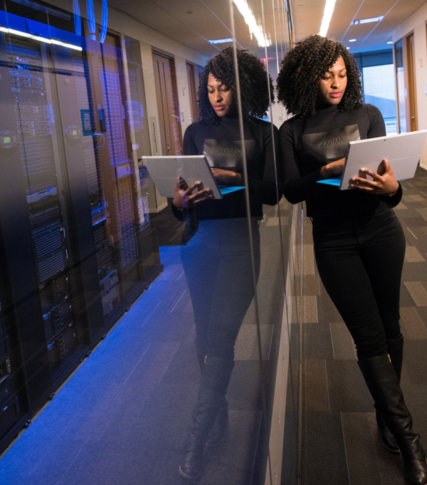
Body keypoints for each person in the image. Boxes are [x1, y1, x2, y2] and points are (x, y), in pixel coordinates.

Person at [276, 35, 427, 485]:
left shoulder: (368, 115)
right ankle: (409, 441)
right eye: (327, 75)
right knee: (368, 339)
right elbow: (290, 191)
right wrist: (324, 172)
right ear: (308, 77)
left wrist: (394, 189)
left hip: (382, 230)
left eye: (343, 74)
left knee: (391, 328)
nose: (337, 83)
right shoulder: (292, 130)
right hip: (333, 241)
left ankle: (387, 415)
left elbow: (390, 184)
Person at [171, 47, 280, 481]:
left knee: (220, 339)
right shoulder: (194, 132)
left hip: (241, 245)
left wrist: (235, 179)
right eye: (211, 89)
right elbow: (180, 204)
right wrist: (179, 201)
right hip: (200, 242)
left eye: (225, 88)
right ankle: (218, 416)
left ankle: (197, 439)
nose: (217, 96)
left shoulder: (262, 132)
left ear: (242, 86)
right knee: (203, 336)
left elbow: (274, 193)